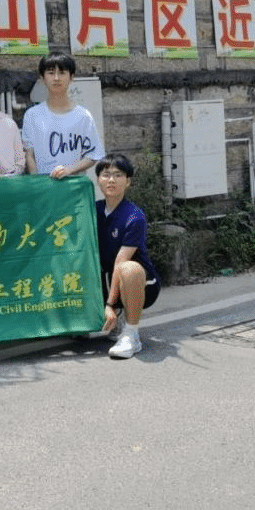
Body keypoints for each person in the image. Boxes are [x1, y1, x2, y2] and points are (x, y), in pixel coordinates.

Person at [95, 154, 161, 359]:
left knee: (128, 268)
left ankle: (131, 335)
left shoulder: (134, 216)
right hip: (106, 280)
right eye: (106, 175)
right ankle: (115, 318)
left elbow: (120, 262)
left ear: (128, 181)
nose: (111, 180)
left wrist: (109, 305)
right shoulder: (93, 210)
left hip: (140, 284)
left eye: (118, 175)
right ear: (98, 180)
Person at [22, 51, 104, 178]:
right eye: (51, 73)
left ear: (71, 77)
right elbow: (29, 155)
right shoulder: (32, 115)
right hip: (43, 185)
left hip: (73, 185)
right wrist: (38, 182)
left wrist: (70, 170)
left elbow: (93, 155)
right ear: (42, 78)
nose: (56, 78)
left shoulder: (83, 116)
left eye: (61, 73)